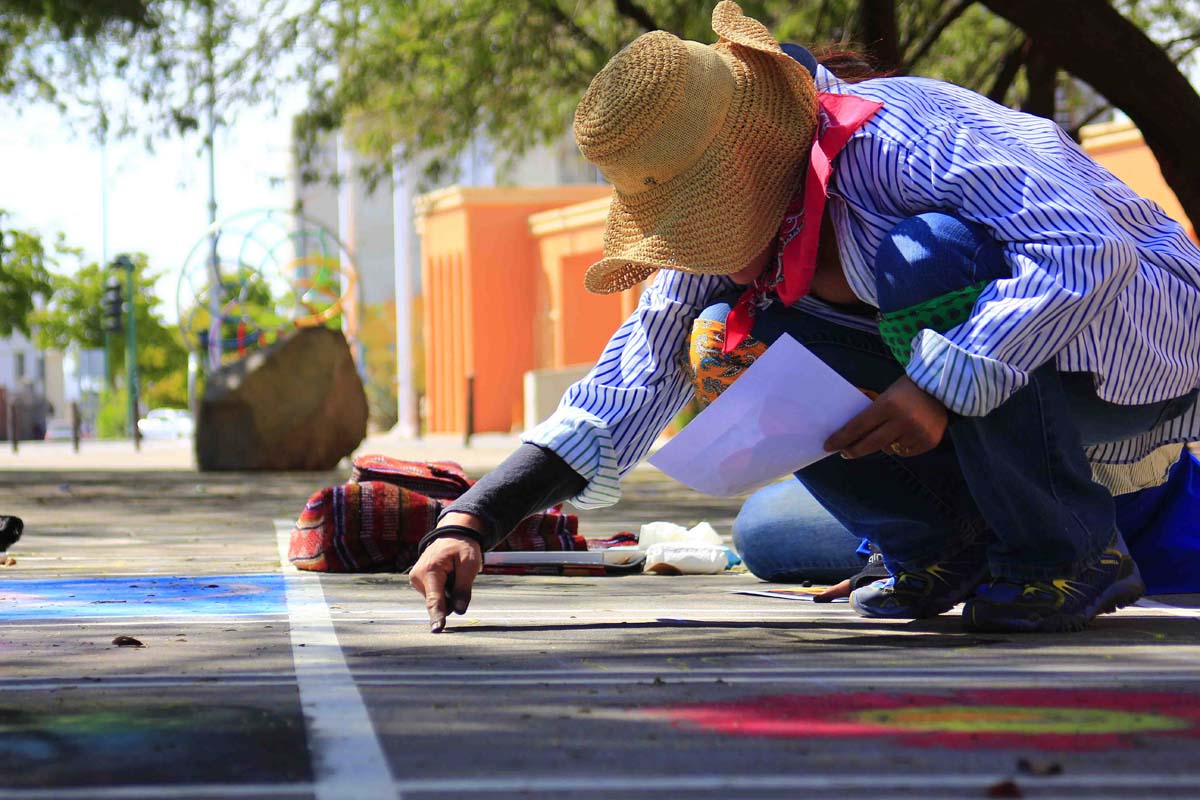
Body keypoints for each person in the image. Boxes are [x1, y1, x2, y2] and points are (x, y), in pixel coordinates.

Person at [409, 1, 1200, 634]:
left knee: (928, 255)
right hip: (979, 409)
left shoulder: (897, 138)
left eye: (707, 209)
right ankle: (944, 546)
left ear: (756, 150)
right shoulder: (732, 232)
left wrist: (934, 390)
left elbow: (1086, 249)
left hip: (1129, 358)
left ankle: (1064, 550)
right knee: (737, 408)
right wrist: (474, 518)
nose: (704, 235)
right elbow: (638, 371)